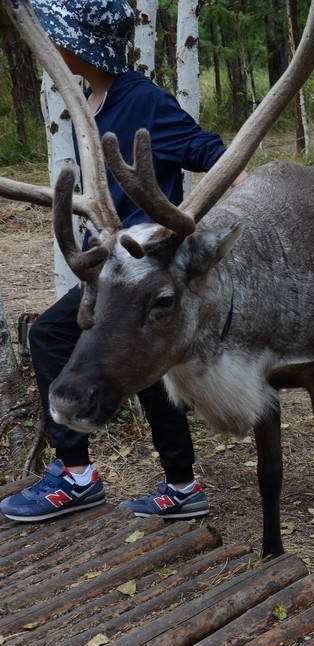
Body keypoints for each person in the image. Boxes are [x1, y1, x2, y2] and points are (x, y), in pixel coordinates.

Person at [2, 0, 244, 522]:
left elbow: (215, 156)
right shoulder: (85, 101)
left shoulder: (143, 100)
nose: (53, 45)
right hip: (106, 269)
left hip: (145, 268)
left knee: (63, 339)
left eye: (58, 35)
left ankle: (83, 476)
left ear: (81, 42)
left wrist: (216, 229)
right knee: (86, 346)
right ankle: (172, 483)